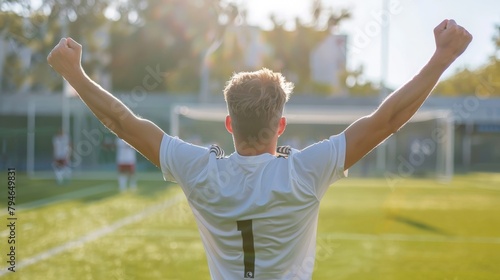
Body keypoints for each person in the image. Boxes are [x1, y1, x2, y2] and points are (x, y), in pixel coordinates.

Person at [47, 19, 472, 279]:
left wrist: (75, 73)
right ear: (281, 126)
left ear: (229, 123)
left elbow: (121, 121)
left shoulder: (198, 170)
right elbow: (388, 119)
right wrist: (442, 57)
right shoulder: (307, 171)